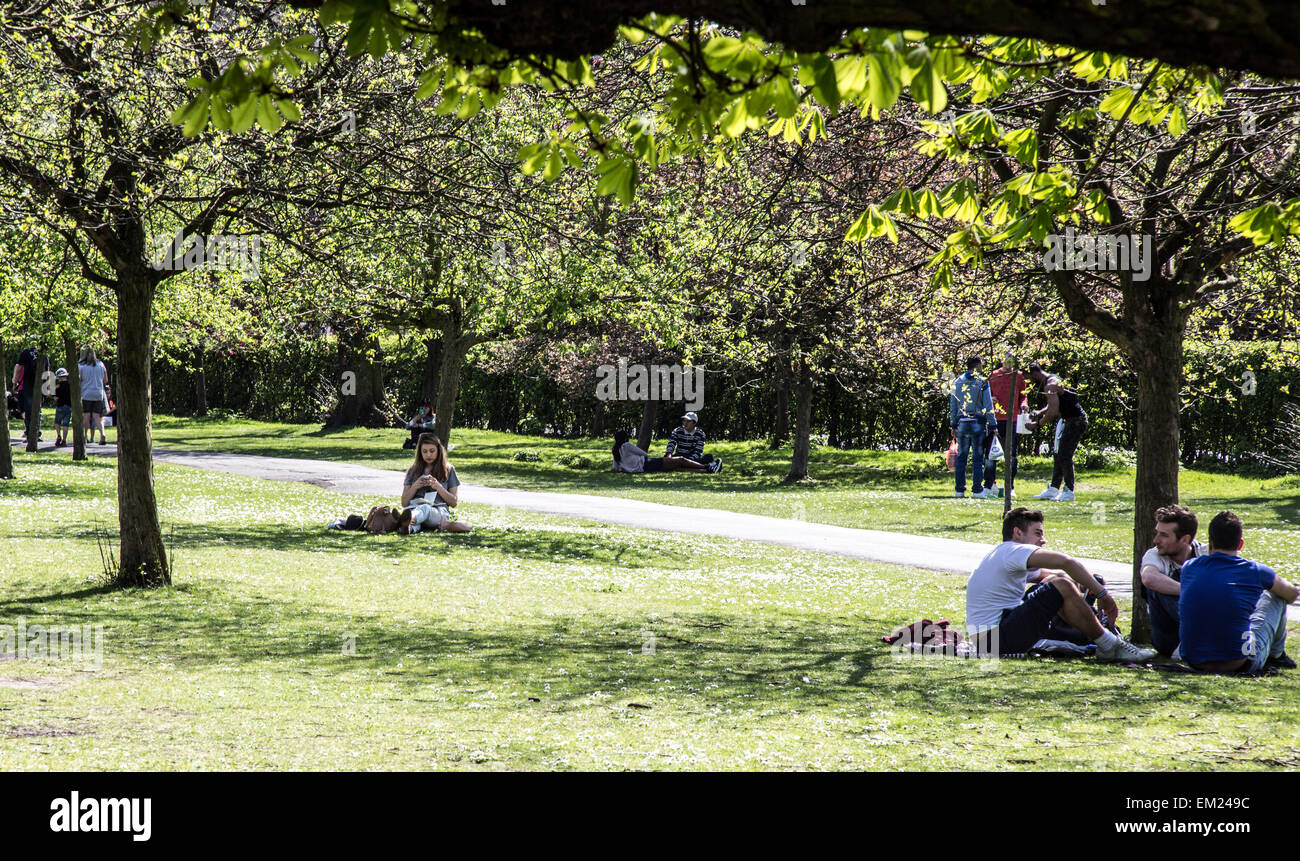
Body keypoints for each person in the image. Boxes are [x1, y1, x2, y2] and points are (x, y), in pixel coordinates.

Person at [965, 507, 1158, 661]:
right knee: (1059, 586)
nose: (1043, 540)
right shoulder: (1014, 551)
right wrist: (1102, 594)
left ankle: (1103, 639)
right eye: (1038, 533)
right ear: (1017, 532)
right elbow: (1066, 562)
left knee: (1058, 582)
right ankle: (1110, 645)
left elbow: (1054, 574)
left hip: (993, 637)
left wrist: (1084, 583)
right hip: (994, 641)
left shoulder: (1003, 554)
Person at [1178, 511, 1297, 674]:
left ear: (1210, 543)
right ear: (1240, 544)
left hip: (1194, 662)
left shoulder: (1189, 567)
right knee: (1275, 595)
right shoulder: (1255, 570)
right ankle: (1276, 655)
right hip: (1240, 662)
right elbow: (1291, 594)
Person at [1138, 505, 1204, 657]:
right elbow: (1149, 578)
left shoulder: (1205, 554)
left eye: (1164, 535)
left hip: (1201, 619)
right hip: (1169, 636)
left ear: (1185, 539)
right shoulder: (1154, 555)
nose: (1156, 540)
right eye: (1157, 533)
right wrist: (1191, 591)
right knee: (1159, 584)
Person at [1023, 362, 1088, 501]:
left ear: (1035, 374)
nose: (1028, 382)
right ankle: (1053, 489)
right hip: (1070, 420)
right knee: (1058, 454)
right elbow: (1054, 405)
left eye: (1028, 378)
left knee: (1065, 455)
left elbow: (1053, 412)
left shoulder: (1050, 386)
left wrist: (1037, 425)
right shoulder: (1053, 380)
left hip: (1075, 421)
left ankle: (1069, 491)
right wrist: (1040, 412)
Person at [397, 432, 472, 535]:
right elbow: (404, 502)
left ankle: (407, 519)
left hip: (438, 511)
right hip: (415, 508)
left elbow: (454, 502)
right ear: (420, 452)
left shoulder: (449, 469)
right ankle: (408, 528)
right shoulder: (413, 470)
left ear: (438, 451)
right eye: (425, 451)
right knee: (416, 517)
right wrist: (415, 486)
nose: (428, 455)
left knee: (425, 508)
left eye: (432, 451)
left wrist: (438, 487)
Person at [949, 356, 996, 498]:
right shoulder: (982, 382)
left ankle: (959, 490)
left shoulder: (957, 382)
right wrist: (993, 424)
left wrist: (953, 424)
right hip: (977, 422)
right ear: (977, 366)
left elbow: (953, 405)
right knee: (977, 457)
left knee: (962, 457)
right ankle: (977, 489)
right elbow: (988, 405)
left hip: (962, 423)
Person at [982, 354, 1028, 499]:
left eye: (1012, 362)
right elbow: (985, 395)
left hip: (1013, 419)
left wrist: (1024, 405)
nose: (1009, 364)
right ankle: (988, 485)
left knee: (1012, 454)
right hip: (995, 418)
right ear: (1001, 360)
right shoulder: (993, 375)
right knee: (990, 454)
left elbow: (1023, 395)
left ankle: (1010, 486)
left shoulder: (1018, 376)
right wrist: (990, 399)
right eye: (1007, 361)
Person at [612, 429, 710, 474]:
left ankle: (704, 471)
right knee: (680, 460)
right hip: (647, 463)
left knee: (675, 469)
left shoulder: (615, 451)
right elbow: (644, 454)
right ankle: (705, 466)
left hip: (645, 469)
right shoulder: (626, 446)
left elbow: (615, 468)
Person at [78, 348, 109, 445]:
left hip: (86, 393)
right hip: (98, 393)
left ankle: (84, 436)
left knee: (86, 415)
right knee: (97, 416)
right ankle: (102, 434)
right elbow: (105, 380)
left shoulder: (81, 366)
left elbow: (79, 379)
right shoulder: (100, 364)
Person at [12, 340, 40, 440]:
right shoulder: (43, 352)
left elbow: (18, 367)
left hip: (26, 385)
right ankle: (37, 431)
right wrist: (48, 387)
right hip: (39, 384)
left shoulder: (25, 353)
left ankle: (29, 431)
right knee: (37, 408)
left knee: (27, 409)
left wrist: (14, 382)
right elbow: (47, 370)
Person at [53, 368, 72, 447]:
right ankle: (64, 440)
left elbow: (56, 398)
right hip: (69, 406)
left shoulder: (57, 387)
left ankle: (58, 435)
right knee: (66, 424)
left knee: (57, 422)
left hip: (60, 406)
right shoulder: (71, 386)